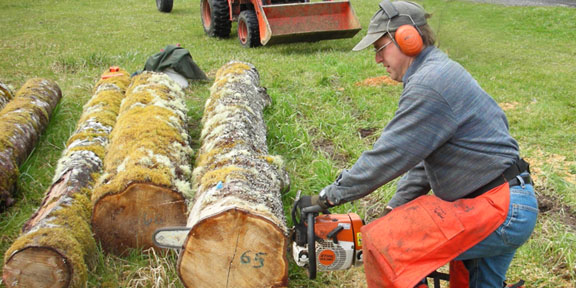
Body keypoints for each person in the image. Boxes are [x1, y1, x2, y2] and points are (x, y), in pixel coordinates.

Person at [299, 1, 538, 287]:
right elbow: (423, 162)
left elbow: (389, 156)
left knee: (385, 245)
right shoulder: (437, 72)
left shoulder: (430, 83)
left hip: (496, 209)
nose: (377, 59)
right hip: (504, 202)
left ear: (407, 38)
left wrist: (328, 197)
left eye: (380, 47)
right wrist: (395, 209)